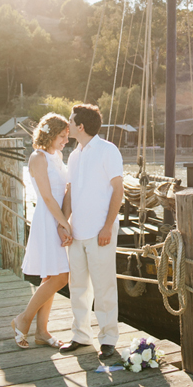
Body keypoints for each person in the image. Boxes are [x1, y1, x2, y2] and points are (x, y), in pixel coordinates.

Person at [58, 104, 125, 360]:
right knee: (78, 286)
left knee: (104, 286)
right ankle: (81, 335)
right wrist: (65, 224)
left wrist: (108, 226)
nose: (68, 125)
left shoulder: (108, 150)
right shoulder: (74, 155)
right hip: (77, 231)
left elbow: (118, 190)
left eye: (71, 121)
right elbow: (70, 192)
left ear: (80, 126)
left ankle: (108, 339)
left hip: (100, 231)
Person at [10, 113, 72, 349]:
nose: (66, 141)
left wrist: (64, 221)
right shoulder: (38, 157)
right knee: (60, 277)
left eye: (67, 136)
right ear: (50, 134)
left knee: (51, 276)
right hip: (47, 219)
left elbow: (65, 190)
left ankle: (42, 332)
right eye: (62, 136)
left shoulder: (58, 155)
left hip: (57, 219)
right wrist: (62, 224)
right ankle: (23, 319)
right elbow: (46, 195)